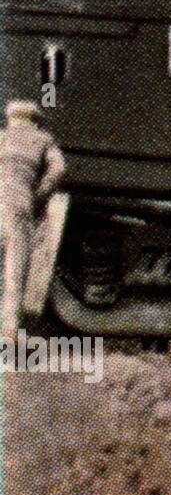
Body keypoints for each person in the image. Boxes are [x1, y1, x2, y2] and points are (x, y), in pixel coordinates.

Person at [0, 100, 66, 338]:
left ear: (12, 117)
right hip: (20, 204)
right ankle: (8, 328)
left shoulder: (2, 136)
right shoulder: (43, 139)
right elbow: (59, 169)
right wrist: (39, 195)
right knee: (15, 267)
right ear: (34, 119)